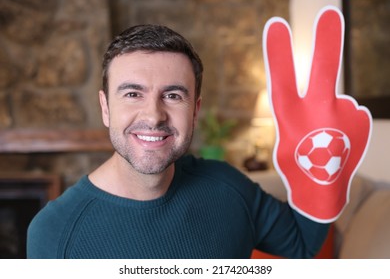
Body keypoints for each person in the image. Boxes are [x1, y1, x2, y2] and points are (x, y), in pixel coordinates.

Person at [27, 24, 329, 259]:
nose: (154, 115)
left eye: (173, 95)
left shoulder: (229, 187)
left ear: (195, 110)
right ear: (106, 108)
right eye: (133, 94)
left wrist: (326, 169)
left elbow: (302, 243)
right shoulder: (54, 231)